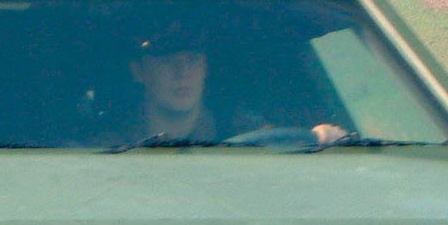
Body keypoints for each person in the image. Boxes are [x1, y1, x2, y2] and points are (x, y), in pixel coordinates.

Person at [125, 36, 348, 145]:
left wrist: (324, 137)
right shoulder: (114, 145)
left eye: (192, 60)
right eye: (166, 62)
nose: (182, 72)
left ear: (205, 68)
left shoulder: (242, 127)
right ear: (139, 72)